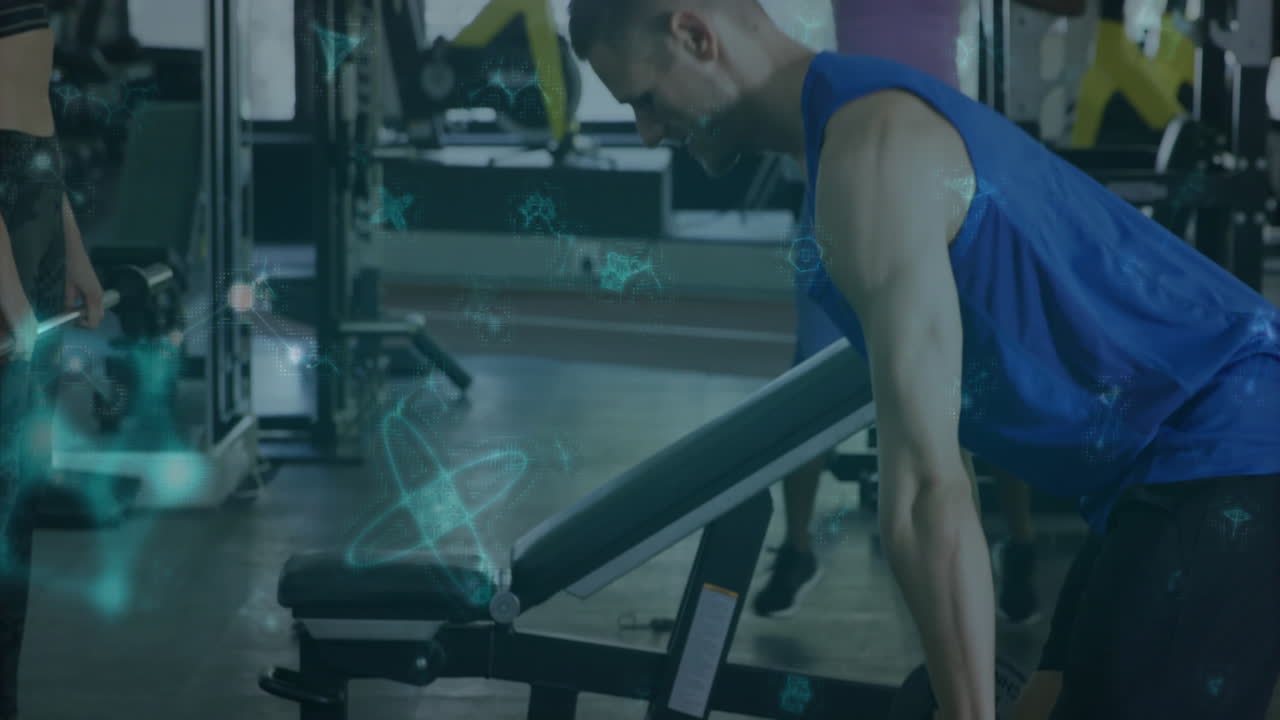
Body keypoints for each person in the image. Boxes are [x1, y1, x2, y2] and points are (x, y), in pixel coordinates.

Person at [567, 1, 1280, 718]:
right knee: (1041, 702)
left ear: (696, 36)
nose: (648, 131)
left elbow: (924, 494)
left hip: (1229, 447)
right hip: (1167, 464)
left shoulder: (872, 151)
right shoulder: (855, 129)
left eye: (646, 101)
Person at [754, 0, 1042, 629]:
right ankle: (796, 547)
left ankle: (1021, 542)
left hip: (945, 165)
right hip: (846, 160)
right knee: (809, 373)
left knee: (985, 366)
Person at [0, 2, 105, 717]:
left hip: (33, 191)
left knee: (20, 489)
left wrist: (70, 246)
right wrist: (9, 290)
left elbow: (30, 105)